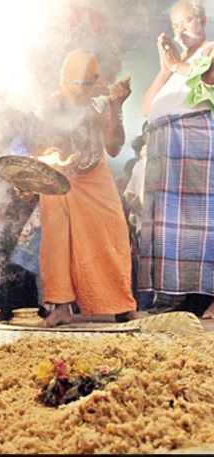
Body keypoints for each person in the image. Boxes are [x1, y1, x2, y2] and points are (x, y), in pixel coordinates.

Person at [34, 49, 138, 327]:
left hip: (94, 174)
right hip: (59, 174)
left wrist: (116, 106)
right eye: (76, 84)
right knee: (58, 239)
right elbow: (42, 145)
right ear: (64, 80)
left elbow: (115, 148)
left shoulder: (100, 103)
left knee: (114, 229)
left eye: (88, 83)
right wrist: (59, 158)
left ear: (96, 81)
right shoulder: (51, 105)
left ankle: (121, 303)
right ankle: (60, 306)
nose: (82, 91)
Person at [140, 0, 214, 318]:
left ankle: (209, 296)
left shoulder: (210, 50)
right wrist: (164, 69)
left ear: (203, 19)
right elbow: (146, 107)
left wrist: (177, 67)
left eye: (185, 21)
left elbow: (209, 82)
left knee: (203, 224)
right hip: (168, 150)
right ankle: (183, 293)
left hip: (196, 146)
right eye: (174, 25)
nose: (179, 29)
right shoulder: (175, 64)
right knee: (176, 231)